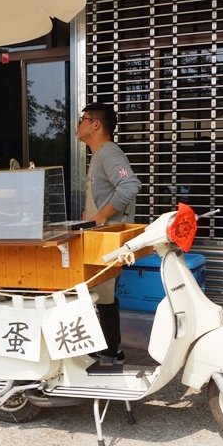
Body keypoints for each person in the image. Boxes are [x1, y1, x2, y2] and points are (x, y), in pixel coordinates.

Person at [78, 102, 141, 365]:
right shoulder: (100, 155)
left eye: (83, 120)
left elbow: (129, 185)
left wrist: (102, 215)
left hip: (108, 237)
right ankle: (111, 350)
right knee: (102, 295)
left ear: (96, 125)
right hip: (100, 236)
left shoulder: (108, 153)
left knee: (103, 295)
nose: (78, 125)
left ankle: (110, 352)